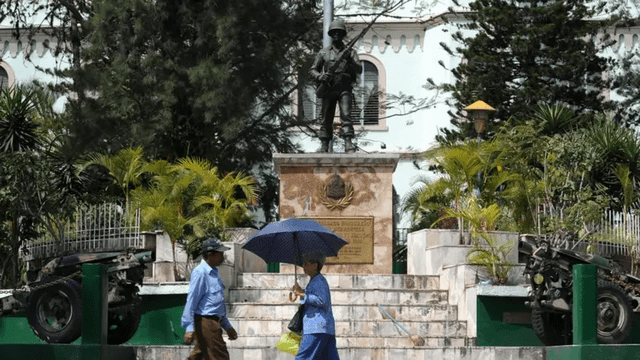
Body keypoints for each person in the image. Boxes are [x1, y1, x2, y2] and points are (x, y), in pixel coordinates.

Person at [309, 19, 362, 153]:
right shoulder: (324, 53)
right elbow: (313, 70)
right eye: (334, 32)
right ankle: (324, 144)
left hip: (344, 87)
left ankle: (348, 142)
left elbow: (359, 69)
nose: (336, 35)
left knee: (346, 115)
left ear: (343, 34)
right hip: (329, 87)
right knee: (326, 116)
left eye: (339, 32)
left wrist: (350, 60)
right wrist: (320, 77)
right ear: (331, 34)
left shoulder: (351, 53)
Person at [182, 237, 238, 360]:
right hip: (205, 323)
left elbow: (216, 304)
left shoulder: (214, 273)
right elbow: (192, 300)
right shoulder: (201, 272)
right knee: (220, 357)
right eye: (220, 253)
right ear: (210, 254)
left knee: (200, 356)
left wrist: (227, 326)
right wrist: (189, 328)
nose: (223, 256)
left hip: (213, 322)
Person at [291, 252, 340, 360]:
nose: (303, 266)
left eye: (306, 263)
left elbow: (322, 300)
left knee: (303, 357)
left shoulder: (319, 280)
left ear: (315, 265)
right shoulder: (315, 281)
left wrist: (303, 294)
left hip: (316, 328)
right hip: (324, 329)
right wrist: (301, 292)